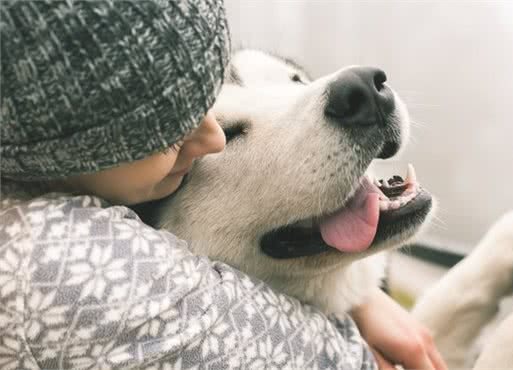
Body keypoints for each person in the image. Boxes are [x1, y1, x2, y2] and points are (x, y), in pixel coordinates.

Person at [0, 1, 447, 369]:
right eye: (168, 132)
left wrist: (360, 299)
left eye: (293, 81)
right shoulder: (54, 262)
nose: (210, 137)